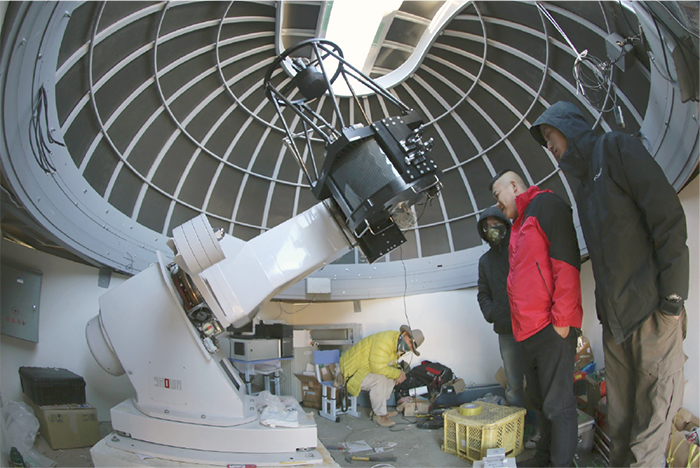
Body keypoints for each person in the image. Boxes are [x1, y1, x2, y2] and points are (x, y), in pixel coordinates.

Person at [530, 101, 689, 468]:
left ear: (568, 127)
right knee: (619, 424)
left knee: (650, 429)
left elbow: (667, 217)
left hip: (653, 314)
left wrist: (672, 300)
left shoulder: (615, 148)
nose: (549, 146)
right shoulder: (583, 185)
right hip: (616, 325)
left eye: (550, 136)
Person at [490, 170, 583, 468]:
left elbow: (566, 260)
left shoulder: (546, 205)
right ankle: (544, 459)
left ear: (514, 186)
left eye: (498, 195)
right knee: (541, 404)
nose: (497, 204)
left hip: (551, 327)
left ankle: (561, 464)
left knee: (558, 406)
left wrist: (562, 319)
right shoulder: (518, 223)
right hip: (528, 332)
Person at [476, 206, 527, 409]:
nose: (492, 228)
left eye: (496, 223)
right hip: (505, 328)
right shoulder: (485, 261)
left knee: (537, 378)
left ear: (505, 224)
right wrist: (492, 313)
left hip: (530, 324)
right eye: (487, 226)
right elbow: (483, 293)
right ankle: (518, 425)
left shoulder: (520, 248)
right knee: (513, 385)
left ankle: (540, 423)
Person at [339, 324, 424, 427]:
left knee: (390, 377)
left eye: (412, 346)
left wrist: (399, 371)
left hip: (364, 369)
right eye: (410, 342)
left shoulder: (395, 342)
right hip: (351, 371)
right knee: (380, 379)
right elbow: (377, 367)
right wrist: (398, 374)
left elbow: (387, 363)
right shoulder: (385, 341)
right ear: (405, 334)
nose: (409, 346)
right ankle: (379, 415)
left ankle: (380, 409)